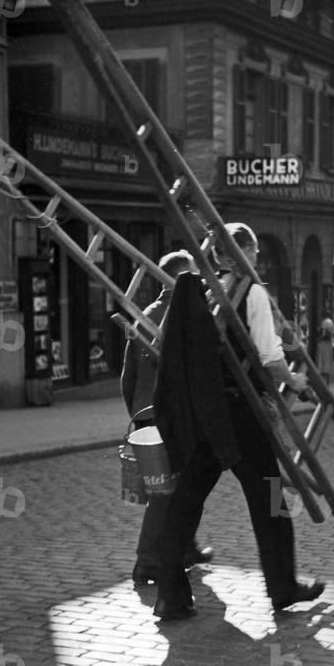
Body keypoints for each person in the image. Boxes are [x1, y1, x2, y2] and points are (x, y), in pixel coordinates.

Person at [151, 223, 325, 621]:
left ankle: (170, 595)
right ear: (235, 254)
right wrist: (296, 381)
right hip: (242, 412)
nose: (256, 259)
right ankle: (282, 586)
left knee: (187, 498)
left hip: (210, 411)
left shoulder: (208, 292)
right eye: (253, 251)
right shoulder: (254, 293)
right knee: (270, 499)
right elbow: (271, 359)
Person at [121, 250, 213, 587]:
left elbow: (127, 376)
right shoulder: (185, 311)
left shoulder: (144, 314)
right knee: (165, 492)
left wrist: (136, 412)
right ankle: (147, 562)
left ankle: (186, 547)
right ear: (181, 277)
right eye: (193, 274)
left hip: (147, 416)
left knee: (185, 486)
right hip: (171, 417)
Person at [316, 313, 334, 384]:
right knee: (327, 368)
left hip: (323, 345)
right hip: (328, 345)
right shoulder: (330, 322)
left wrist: (319, 338)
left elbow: (324, 334)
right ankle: (327, 383)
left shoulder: (324, 323)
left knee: (323, 365)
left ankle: (323, 383)